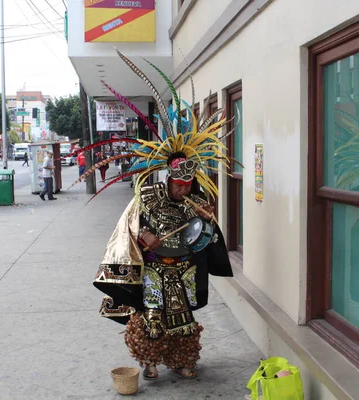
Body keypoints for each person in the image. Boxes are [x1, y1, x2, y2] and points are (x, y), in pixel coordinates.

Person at [92, 49, 235, 383]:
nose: (183, 189)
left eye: (188, 184)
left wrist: (209, 225)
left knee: (183, 320)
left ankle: (184, 361)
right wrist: (146, 237)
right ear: (169, 179)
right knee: (153, 318)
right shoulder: (147, 196)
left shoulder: (197, 201)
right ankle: (150, 362)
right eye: (179, 184)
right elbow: (128, 229)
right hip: (154, 268)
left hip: (184, 269)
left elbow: (206, 236)